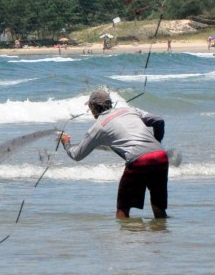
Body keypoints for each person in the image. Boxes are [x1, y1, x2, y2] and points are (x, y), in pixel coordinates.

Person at [60, 88, 168, 219]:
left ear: (93, 107)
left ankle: (126, 239)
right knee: (159, 207)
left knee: (123, 209)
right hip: (160, 156)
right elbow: (159, 121)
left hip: (138, 161)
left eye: (89, 107)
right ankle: (161, 237)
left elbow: (77, 155)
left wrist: (66, 143)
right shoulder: (130, 110)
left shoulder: (99, 126)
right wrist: (156, 143)